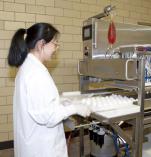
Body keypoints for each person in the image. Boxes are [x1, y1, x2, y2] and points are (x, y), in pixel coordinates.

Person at [8, 23, 91, 157]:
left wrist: (60, 103)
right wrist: (74, 108)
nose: (56, 48)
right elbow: (47, 116)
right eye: (55, 43)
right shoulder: (35, 73)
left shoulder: (28, 68)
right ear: (41, 44)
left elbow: (39, 104)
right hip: (42, 148)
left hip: (33, 143)